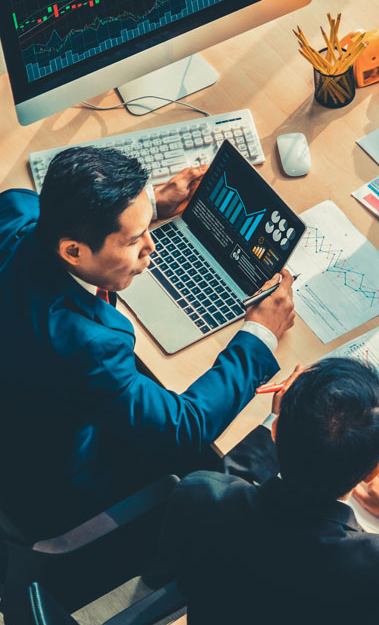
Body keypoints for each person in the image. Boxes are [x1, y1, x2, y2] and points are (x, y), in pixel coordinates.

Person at [0, 147, 295, 538]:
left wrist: (151, 202)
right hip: (51, 483)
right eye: (135, 239)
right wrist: (260, 334)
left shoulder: (17, 209)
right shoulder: (86, 347)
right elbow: (186, 427)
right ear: (73, 250)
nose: (152, 246)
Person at [162, 357, 379, 625]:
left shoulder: (202, 495)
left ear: (277, 429)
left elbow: (232, 484)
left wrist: (285, 417)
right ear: (373, 470)